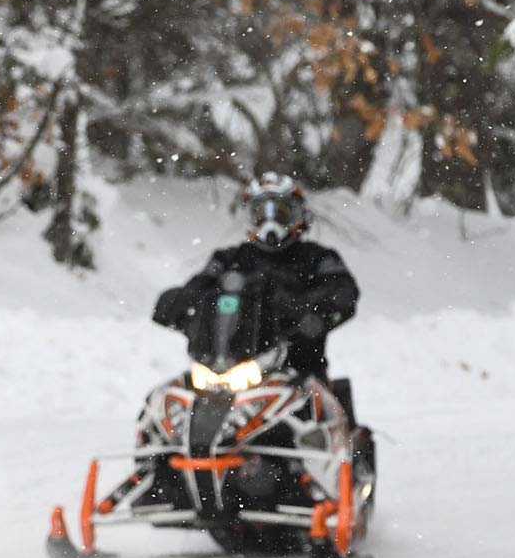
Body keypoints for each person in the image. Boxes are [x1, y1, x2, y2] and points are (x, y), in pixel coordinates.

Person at [152, 174, 360, 414]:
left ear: (298, 216)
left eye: (280, 213)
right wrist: (176, 307)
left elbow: (343, 292)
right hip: (228, 367)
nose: (269, 222)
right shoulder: (229, 260)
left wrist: (310, 313)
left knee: (310, 412)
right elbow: (197, 289)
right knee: (162, 404)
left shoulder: (318, 258)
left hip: (297, 368)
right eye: (260, 214)